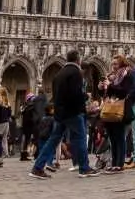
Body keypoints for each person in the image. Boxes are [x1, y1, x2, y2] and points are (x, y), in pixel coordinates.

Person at [28, 50, 91, 178]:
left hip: (60, 113)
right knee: (81, 138)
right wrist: (85, 97)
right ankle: (84, 168)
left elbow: (57, 96)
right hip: (73, 113)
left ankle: (38, 167)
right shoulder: (76, 73)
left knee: (53, 140)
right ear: (78, 59)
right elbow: (75, 94)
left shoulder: (59, 74)